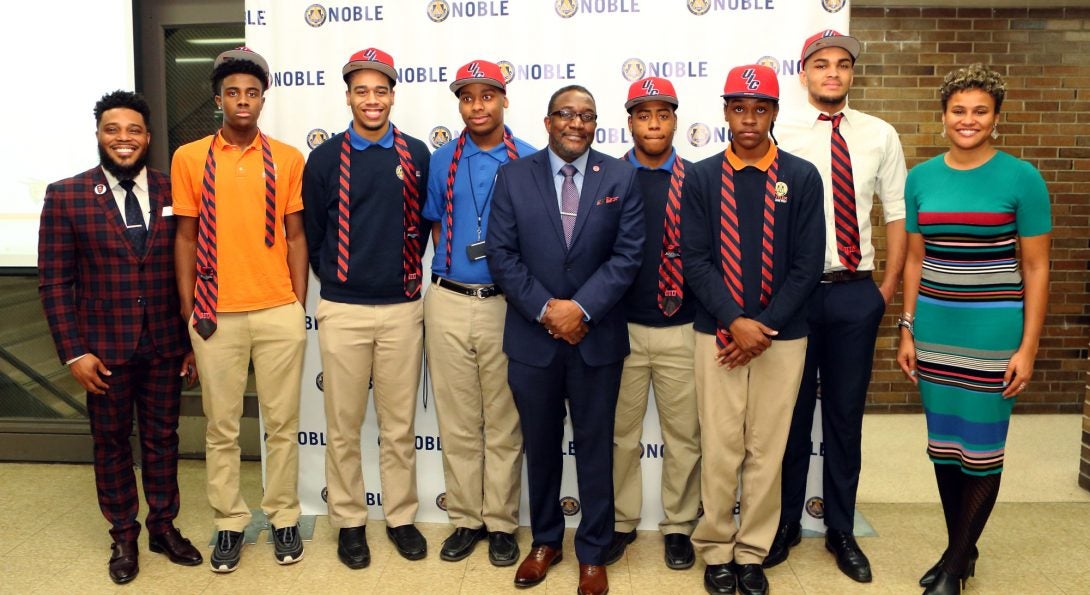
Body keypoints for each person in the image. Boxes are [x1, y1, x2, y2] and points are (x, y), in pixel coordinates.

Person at [38, 90, 203, 585]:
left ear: (148, 137)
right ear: (98, 135)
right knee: (110, 442)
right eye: (113, 129)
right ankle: (123, 533)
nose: (124, 139)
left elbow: (194, 266)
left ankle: (162, 526)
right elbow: (54, 281)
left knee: (162, 440)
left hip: (165, 345)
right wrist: (73, 352)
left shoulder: (176, 189)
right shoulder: (66, 194)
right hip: (102, 350)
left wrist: (192, 341)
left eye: (134, 130)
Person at [897, 64, 1051, 595]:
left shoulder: (1022, 178)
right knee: (944, 447)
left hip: (993, 335)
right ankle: (960, 549)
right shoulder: (921, 178)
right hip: (936, 331)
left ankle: (955, 564)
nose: (968, 120)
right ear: (943, 117)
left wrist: (1028, 347)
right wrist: (907, 330)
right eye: (959, 110)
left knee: (981, 450)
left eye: (980, 111)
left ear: (996, 118)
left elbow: (1036, 267)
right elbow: (916, 259)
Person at [486, 84, 644, 595]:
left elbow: (628, 256)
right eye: (566, 114)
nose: (577, 123)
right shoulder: (513, 176)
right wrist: (547, 310)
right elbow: (502, 256)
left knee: (596, 446)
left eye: (587, 116)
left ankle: (593, 552)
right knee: (541, 446)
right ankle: (546, 540)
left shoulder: (621, 175)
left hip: (597, 339)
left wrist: (581, 310)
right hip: (533, 340)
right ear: (548, 120)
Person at [769, 29, 908, 582]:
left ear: (852, 75)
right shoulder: (779, 130)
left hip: (857, 291)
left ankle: (841, 531)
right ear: (803, 72)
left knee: (846, 419)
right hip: (793, 295)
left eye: (842, 65)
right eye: (821, 64)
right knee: (791, 417)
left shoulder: (879, 134)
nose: (832, 73)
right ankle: (781, 524)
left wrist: (886, 289)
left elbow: (896, 214)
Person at [681, 65, 824, 595]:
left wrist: (761, 328)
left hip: (782, 337)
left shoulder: (802, 176)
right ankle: (717, 548)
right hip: (717, 332)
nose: (748, 119)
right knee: (720, 446)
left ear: (774, 114)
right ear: (725, 113)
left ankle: (752, 552)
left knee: (768, 447)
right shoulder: (699, 177)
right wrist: (735, 322)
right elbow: (694, 261)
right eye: (739, 108)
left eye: (759, 109)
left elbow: (807, 265)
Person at [172, 47, 309, 573]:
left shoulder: (288, 157)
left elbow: (296, 237)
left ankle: (282, 517)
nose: (243, 100)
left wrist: (295, 302)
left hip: (277, 309)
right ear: (219, 99)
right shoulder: (190, 158)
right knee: (221, 426)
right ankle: (229, 522)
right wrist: (190, 309)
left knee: (282, 423)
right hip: (214, 314)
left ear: (263, 98)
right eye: (233, 92)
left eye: (252, 92)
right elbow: (184, 239)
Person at [301, 47, 431, 569]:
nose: (371, 100)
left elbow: (423, 226)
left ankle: (400, 517)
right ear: (349, 95)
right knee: (343, 424)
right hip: (343, 308)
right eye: (362, 90)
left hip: (402, 307)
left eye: (381, 90)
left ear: (393, 95)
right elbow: (313, 234)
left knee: (399, 426)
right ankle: (350, 522)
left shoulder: (417, 154)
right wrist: (339, 276)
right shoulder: (326, 158)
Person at [422, 60, 535, 567]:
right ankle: (467, 518)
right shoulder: (442, 158)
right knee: (460, 419)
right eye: (468, 98)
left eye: (487, 96)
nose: (477, 106)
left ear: (504, 100)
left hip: (506, 305)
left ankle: (503, 523)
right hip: (448, 299)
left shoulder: (531, 160)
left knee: (504, 421)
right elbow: (434, 227)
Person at [605, 77, 701, 571]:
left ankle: (680, 525)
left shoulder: (698, 179)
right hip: (618, 327)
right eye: (644, 115)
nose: (654, 123)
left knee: (684, 434)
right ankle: (622, 522)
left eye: (663, 114)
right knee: (619, 433)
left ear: (675, 121)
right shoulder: (606, 177)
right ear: (630, 122)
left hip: (681, 327)